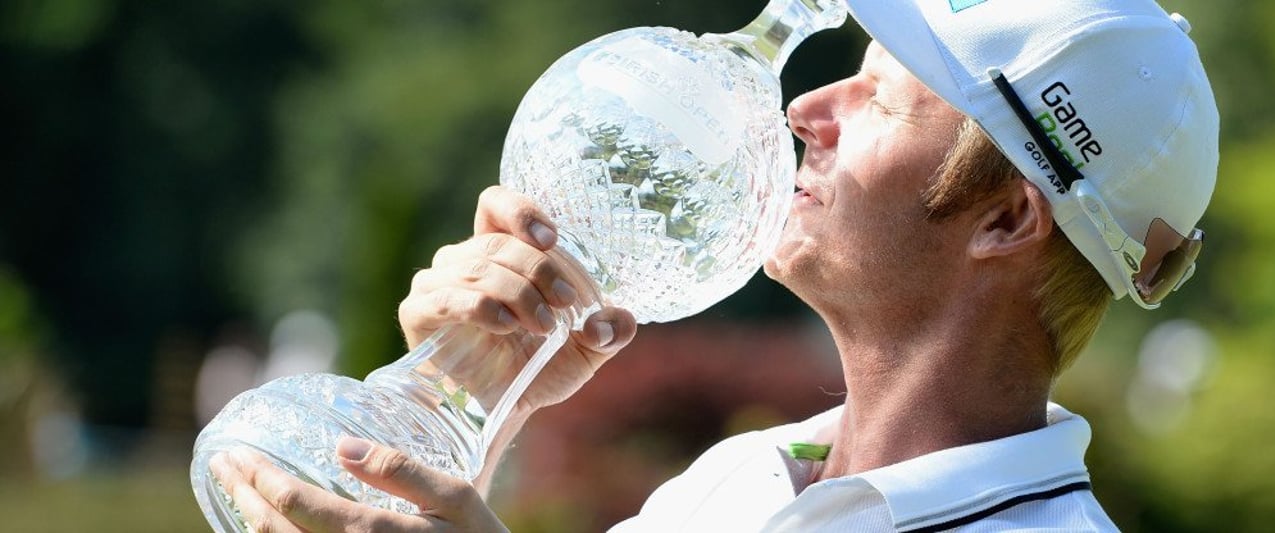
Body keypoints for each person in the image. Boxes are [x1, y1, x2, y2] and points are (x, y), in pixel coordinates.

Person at [210, 0, 1218, 530]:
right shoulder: (738, 485)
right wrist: (473, 395)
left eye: (879, 100)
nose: (802, 112)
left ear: (1005, 218)